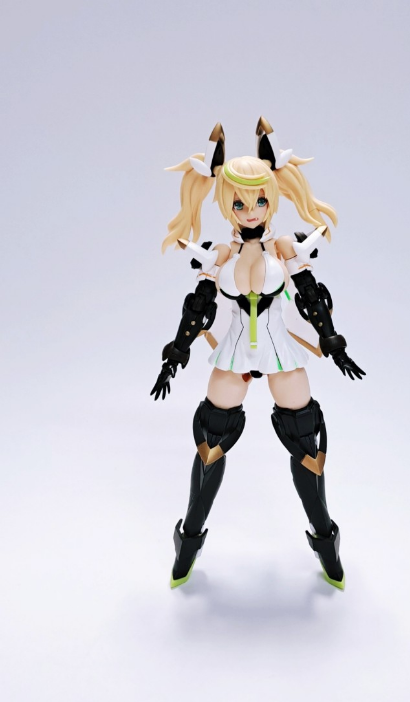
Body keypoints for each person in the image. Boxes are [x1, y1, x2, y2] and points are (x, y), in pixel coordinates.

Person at [151, 117, 365, 589]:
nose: (251, 211)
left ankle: (325, 540)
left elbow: (311, 299)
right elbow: (199, 307)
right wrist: (175, 354)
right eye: (239, 203)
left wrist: (333, 344)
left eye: (260, 200)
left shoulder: (284, 247)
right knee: (210, 444)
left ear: (273, 198)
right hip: (231, 357)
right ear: (225, 204)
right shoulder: (220, 254)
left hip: (280, 352)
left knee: (307, 444)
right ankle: (188, 540)